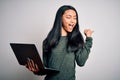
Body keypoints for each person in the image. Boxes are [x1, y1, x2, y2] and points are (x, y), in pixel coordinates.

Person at [26, 5, 93, 80]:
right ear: (60, 18)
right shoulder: (47, 41)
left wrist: (89, 39)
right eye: (68, 17)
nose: (73, 21)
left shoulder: (75, 39)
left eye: (75, 18)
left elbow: (81, 62)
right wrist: (37, 71)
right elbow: (46, 68)